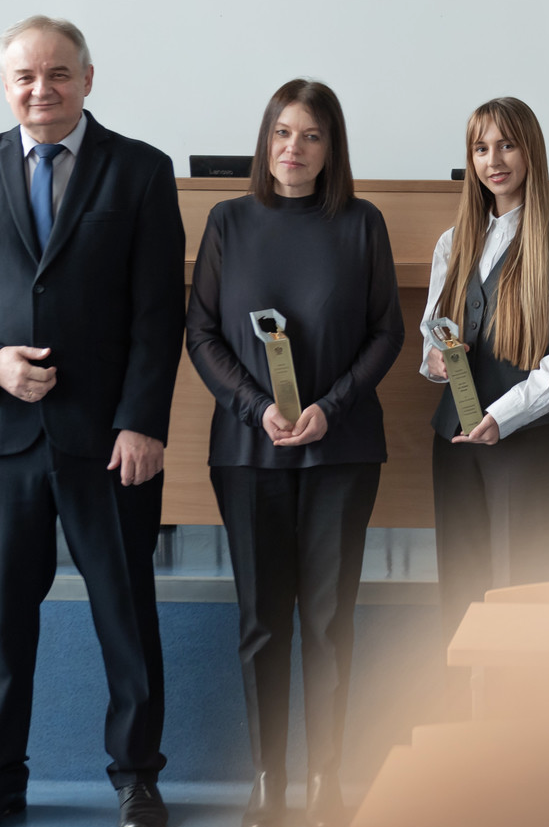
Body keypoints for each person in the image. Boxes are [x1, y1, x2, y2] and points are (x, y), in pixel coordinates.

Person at [0, 16, 185, 827]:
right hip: (0, 437)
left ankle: (136, 774)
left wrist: (142, 422)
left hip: (110, 441)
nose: (42, 88)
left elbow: (158, 310)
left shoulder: (140, 170)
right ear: (6, 86)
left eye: (58, 73)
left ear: (88, 78)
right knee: (0, 618)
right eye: (25, 76)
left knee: (126, 614)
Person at [185, 80, 403, 827]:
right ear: (264, 140)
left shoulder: (363, 223)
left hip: (341, 450)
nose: (293, 148)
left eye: (311, 135)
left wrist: (328, 407)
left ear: (331, 147)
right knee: (262, 621)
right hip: (249, 452)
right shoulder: (227, 221)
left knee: (330, 622)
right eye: (282, 132)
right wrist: (258, 407)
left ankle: (327, 779)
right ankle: (268, 782)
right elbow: (201, 333)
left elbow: (386, 333)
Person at [421, 97, 549, 635]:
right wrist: (434, 360)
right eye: (481, 148)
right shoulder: (453, 242)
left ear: (531, 152)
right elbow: (433, 333)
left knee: (523, 601)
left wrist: (504, 415)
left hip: (526, 445)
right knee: (460, 595)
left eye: (506, 145)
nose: (493, 160)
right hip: (454, 443)